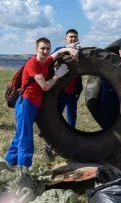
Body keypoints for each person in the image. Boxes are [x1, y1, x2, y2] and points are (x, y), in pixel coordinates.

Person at [5, 37, 79, 167]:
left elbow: (57, 53)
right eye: (42, 48)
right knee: (25, 140)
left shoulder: (45, 61)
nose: (45, 51)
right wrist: (57, 76)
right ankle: (24, 172)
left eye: (47, 49)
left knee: (19, 136)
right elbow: (44, 86)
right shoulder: (32, 64)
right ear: (36, 49)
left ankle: (9, 163)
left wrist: (68, 48)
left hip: (33, 104)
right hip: (26, 104)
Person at [44, 29, 83, 158]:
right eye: (70, 37)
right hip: (59, 94)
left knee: (72, 121)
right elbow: (52, 57)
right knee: (53, 119)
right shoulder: (60, 49)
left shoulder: (80, 52)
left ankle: (70, 148)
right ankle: (48, 147)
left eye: (75, 37)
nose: (73, 39)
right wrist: (68, 50)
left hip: (72, 94)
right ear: (65, 39)